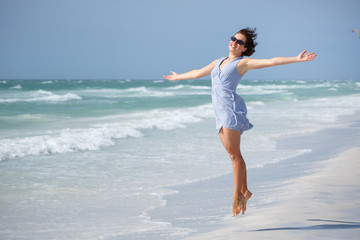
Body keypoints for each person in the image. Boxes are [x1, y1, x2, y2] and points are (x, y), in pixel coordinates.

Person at [163, 28, 317, 217]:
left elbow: (271, 61)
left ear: (244, 48)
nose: (234, 42)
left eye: (239, 42)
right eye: (233, 38)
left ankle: (237, 195)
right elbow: (197, 73)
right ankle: (245, 190)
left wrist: (296, 58)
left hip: (230, 112)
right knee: (232, 154)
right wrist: (178, 76)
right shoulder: (218, 61)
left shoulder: (242, 63)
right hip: (219, 114)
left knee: (235, 157)